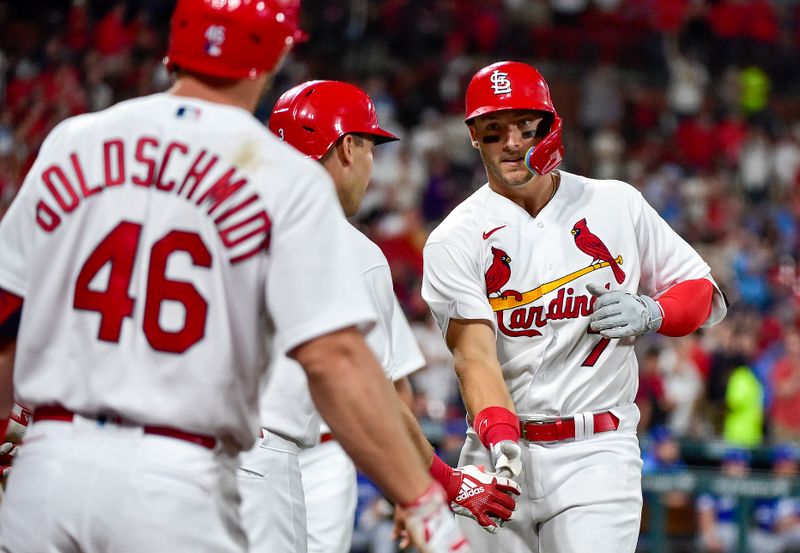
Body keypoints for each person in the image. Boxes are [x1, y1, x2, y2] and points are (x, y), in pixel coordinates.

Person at [0, 3, 466, 552]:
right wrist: (422, 499)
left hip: (52, 462)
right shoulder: (281, 177)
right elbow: (334, 360)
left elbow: (9, 318)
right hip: (180, 473)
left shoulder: (73, 141)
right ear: (272, 57)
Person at [421, 60, 728, 553]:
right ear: (474, 137)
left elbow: (698, 288)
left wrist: (654, 312)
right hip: (498, 445)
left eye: (526, 126)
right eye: (494, 131)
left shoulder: (615, 203)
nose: (513, 142)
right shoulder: (455, 238)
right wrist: (500, 443)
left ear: (550, 125)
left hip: (597, 449)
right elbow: (473, 357)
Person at [238, 80, 518, 553]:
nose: (372, 165)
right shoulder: (350, 248)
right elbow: (380, 401)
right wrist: (446, 485)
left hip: (169, 456)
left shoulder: (219, 214)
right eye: (369, 148)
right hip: (263, 459)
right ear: (347, 147)